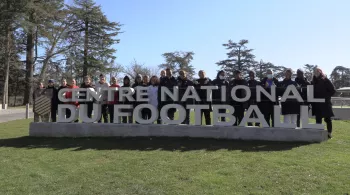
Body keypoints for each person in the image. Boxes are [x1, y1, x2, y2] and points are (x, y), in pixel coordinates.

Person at [311, 67, 336, 138]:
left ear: (320, 71)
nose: (316, 72)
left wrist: (325, 97)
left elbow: (333, 90)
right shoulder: (313, 81)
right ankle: (319, 134)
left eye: (317, 71)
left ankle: (329, 133)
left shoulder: (325, 80)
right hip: (317, 104)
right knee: (318, 119)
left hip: (325, 103)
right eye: (314, 71)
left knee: (327, 119)